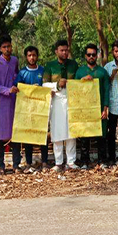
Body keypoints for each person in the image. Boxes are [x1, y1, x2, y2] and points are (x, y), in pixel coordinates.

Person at [43, 40, 79, 170]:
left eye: (66, 50)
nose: (64, 52)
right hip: (57, 100)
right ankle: (58, 162)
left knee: (71, 131)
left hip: (71, 99)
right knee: (57, 131)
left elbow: (79, 80)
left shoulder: (74, 64)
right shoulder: (50, 66)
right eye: (62, 50)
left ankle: (71, 161)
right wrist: (57, 85)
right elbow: (44, 84)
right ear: (56, 51)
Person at [0, 35, 22, 175]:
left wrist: (16, 86)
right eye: (4, 47)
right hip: (2, 102)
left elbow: (17, 76)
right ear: (0, 49)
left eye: (9, 46)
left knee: (15, 133)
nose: (7, 49)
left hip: (15, 101)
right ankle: (1, 165)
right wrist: (7, 90)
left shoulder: (15, 60)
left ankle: (16, 164)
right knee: (0, 134)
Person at [75, 44, 110, 167]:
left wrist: (105, 108)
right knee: (85, 135)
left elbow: (106, 90)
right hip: (85, 109)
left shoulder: (102, 72)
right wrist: (82, 81)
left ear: (97, 56)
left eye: (93, 55)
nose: (91, 57)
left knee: (101, 135)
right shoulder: (80, 72)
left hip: (99, 108)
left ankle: (102, 161)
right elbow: (75, 89)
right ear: (85, 56)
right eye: (89, 54)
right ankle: (85, 161)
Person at [16, 45, 46, 170]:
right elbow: (18, 88)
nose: (32, 57)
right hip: (27, 109)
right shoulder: (22, 72)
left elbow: (47, 86)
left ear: (37, 56)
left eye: (34, 55)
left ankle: (44, 162)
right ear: (26, 57)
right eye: (29, 55)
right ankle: (28, 162)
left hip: (40, 108)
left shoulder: (42, 71)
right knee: (28, 135)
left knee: (42, 133)